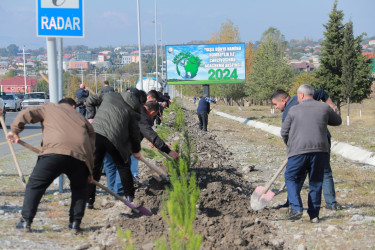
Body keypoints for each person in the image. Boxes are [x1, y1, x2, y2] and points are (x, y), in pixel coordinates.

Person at [7, 98, 95, 232]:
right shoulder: (81, 118)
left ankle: (26, 221)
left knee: (35, 185)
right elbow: (91, 146)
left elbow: (26, 113)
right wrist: (89, 171)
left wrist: (14, 131)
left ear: (59, 104)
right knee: (79, 190)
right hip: (80, 157)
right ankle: (75, 224)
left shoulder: (50, 108)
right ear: (73, 107)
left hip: (53, 153)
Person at [271, 88, 340, 211]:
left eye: (275, 104)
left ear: (283, 100)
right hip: (321, 142)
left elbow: (286, 134)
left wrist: (292, 150)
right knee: (324, 172)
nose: (275, 107)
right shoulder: (305, 96)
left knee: (297, 174)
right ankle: (331, 204)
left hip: (302, 147)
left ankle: (292, 204)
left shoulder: (288, 112)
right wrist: (332, 106)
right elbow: (322, 93)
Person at [86, 90, 142, 208]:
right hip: (115, 140)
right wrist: (136, 150)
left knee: (94, 168)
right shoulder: (132, 111)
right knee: (123, 166)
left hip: (97, 134)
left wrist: (90, 117)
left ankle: (89, 200)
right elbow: (134, 134)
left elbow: (90, 100)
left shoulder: (109, 95)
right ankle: (130, 198)